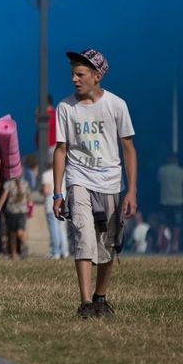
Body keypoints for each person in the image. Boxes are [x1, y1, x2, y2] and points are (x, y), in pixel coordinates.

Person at [52, 48, 137, 319]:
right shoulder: (65, 107)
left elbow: (129, 149)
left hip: (110, 181)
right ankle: (86, 303)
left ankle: (101, 297)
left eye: (81, 74)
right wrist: (57, 192)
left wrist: (131, 190)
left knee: (107, 243)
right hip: (78, 179)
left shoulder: (116, 105)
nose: (75, 79)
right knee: (83, 237)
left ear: (97, 76)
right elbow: (61, 150)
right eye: (73, 74)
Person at [158, 154, 183, 253]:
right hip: (178, 201)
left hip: (165, 201)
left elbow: (159, 181)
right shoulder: (182, 171)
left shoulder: (162, 170)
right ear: (177, 160)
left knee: (162, 223)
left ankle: (159, 243)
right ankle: (175, 245)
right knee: (177, 225)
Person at [40, 162, 68, 259]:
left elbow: (46, 191)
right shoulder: (64, 174)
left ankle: (56, 252)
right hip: (63, 203)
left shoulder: (46, 174)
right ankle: (65, 251)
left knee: (54, 229)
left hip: (51, 204)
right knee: (62, 229)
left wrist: (41, 190)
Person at [0, 176, 30, 259]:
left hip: (22, 211)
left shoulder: (24, 183)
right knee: (12, 234)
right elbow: (4, 196)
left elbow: (28, 197)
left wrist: (30, 208)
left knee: (20, 232)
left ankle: (25, 247)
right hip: (11, 211)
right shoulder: (9, 184)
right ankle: (13, 255)